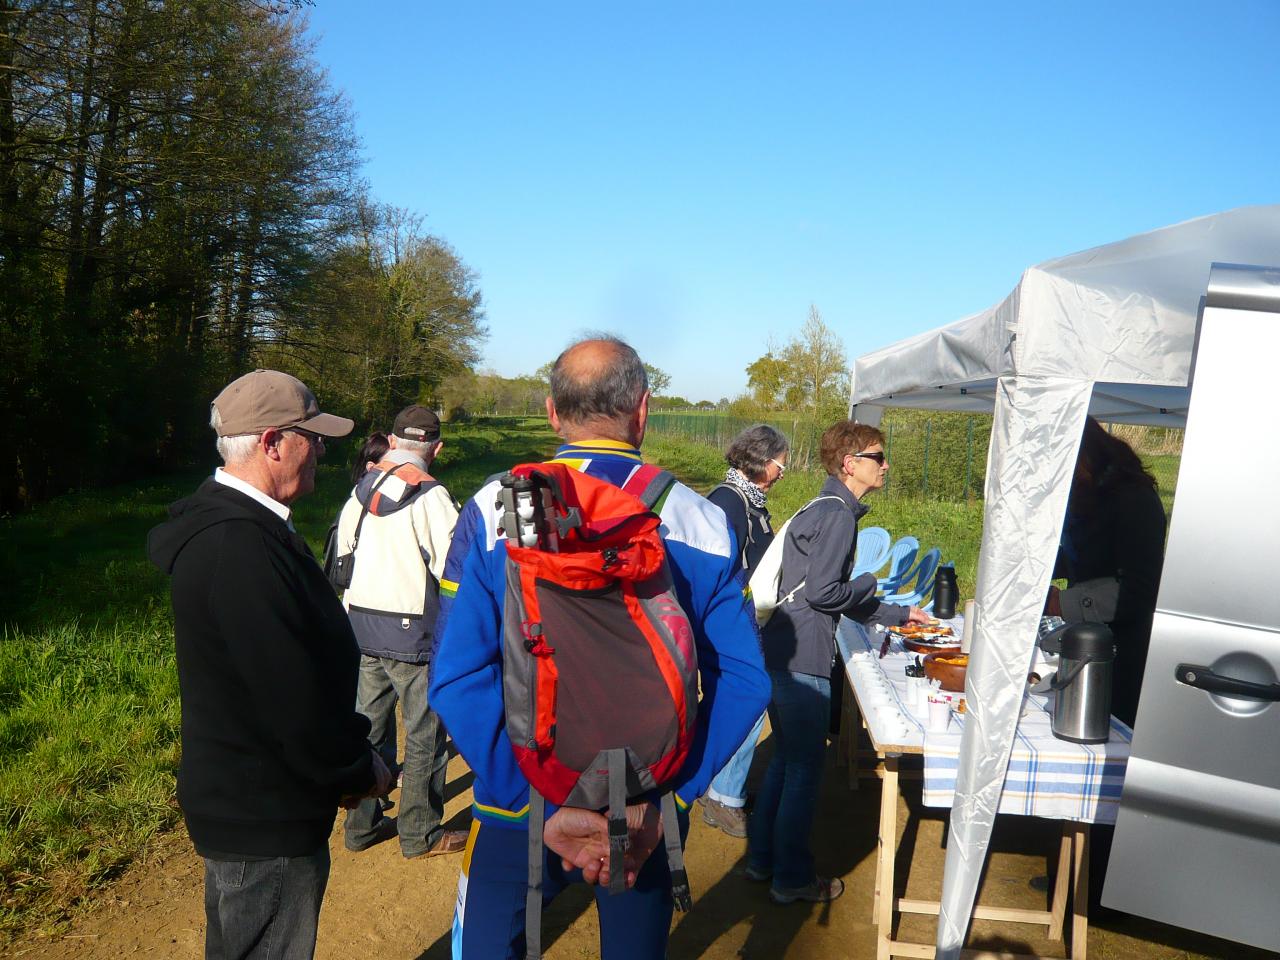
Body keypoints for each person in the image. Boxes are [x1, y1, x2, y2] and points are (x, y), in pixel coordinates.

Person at [430, 336, 770, 960]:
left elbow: (455, 677)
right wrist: (670, 795)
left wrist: (530, 790)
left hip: (518, 802)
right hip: (644, 810)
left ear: (553, 412)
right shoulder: (697, 518)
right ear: (643, 410)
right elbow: (746, 680)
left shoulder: (491, 508)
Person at [147, 369, 392, 960]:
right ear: (273, 442)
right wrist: (357, 770)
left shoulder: (247, 531)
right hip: (264, 816)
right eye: (314, 437)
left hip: (256, 799)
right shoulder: (240, 549)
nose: (323, 451)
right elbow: (292, 698)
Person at [747, 420, 928, 905]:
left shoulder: (822, 506)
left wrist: (897, 613)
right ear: (851, 464)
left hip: (781, 648)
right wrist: (870, 584)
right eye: (878, 456)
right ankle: (791, 878)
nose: (885, 465)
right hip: (803, 656)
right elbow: (828, 593)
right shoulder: (840, 517)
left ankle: (763, 861)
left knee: (787, 762)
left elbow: (821, 589)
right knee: (805, 770)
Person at [335, 405, 468, 859]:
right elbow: (453, 568)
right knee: (425, 732)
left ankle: (361, 827)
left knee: (368, 729)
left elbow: (342, 559)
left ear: (392, 443)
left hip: (360, 627)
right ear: (437, 448)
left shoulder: (360, 489)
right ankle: (420, 835)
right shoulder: (430, 496)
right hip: (411, 635)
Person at [1046, 417, 1167, 729]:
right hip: (1087, 647)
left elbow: (1138, 590)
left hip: (1121, 658)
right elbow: (1081, 554)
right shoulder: (1090, 496)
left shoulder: (1134, 500)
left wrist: (1063, 603)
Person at [700, 424, 790, 838]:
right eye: (779, 464)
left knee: (736, 704)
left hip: (744, 620)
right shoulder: (729, 503)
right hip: (732, 623)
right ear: (759, 460)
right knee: (750, 704)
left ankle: (718, 787)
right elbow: (720, 571)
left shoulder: (748, 500)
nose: (782, 472)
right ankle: (724, 796)